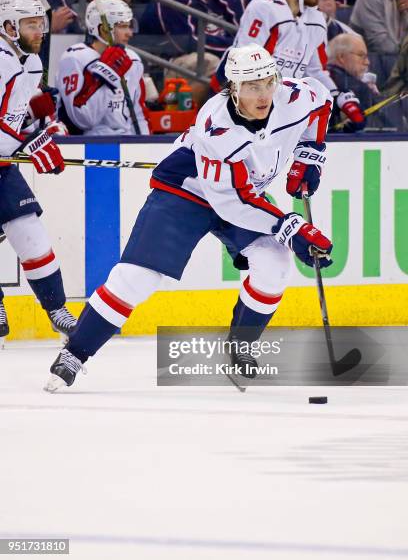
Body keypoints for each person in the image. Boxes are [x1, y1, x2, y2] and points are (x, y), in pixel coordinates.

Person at [44, 43, 333, 392]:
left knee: (274, 263)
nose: (263, 95)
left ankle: (240, 347)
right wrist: (290, 227)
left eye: (268, 83)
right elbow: (232, 204)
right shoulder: (217, 127)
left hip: (245, 192)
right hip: (188, 190)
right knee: (138, 277)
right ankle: (75, 353)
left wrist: (309, 154)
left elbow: (321, 101)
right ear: (233, 89)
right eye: (252, 87)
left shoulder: (294, 96)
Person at [0, 0, 76, 337]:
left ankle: (56, 308)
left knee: (31, 235)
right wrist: (31, 144)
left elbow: (13, 117)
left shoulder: (30, 63)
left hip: (2, 164)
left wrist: (39, 124)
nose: (40, 32)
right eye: (31, 25)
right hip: (5, 153)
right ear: (8, 27)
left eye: (41, 24)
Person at [212, 0, 337, 100]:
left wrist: (337, 98)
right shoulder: (266, 7)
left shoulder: (316, 19)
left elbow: (316, 71)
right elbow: (245, 62)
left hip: (275, 97)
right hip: (235, 93)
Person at [56, 0, 150, 136]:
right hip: (85, 146)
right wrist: (107, 76)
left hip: (127, 143)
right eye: (123, 26)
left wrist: (145, 146)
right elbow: (83, 120)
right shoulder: (74, 58)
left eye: (129, 26)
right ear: (103, 29)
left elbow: (139, 114)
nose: (129, 33)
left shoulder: (132, 59)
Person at [327, 33, 376, 131]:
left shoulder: (316, 80)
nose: (367, 62)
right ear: (341, 57)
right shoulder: (357, 87)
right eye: (361, 55)